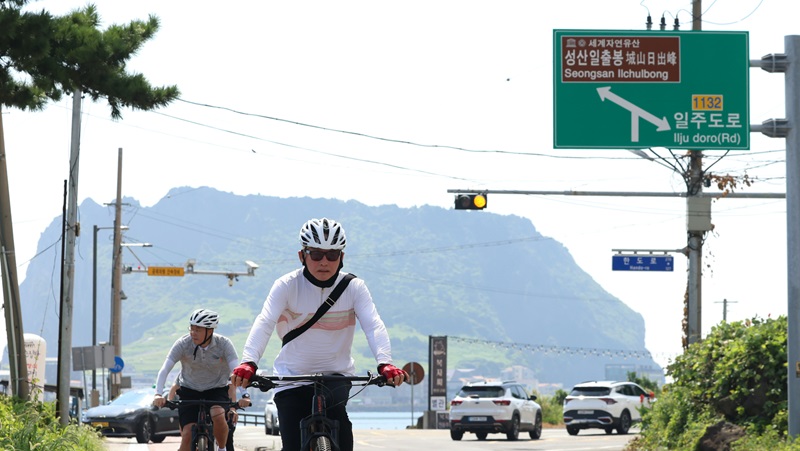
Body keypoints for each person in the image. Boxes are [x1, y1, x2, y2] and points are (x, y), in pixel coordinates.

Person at [231, 217, 408, 451]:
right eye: (316, 254)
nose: (324, 261)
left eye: (332, 255)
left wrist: (385, 363)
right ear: (301, 255)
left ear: (341, 257)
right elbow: (264, 322)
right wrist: (249, 362)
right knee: (292, 446)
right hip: (291, 379)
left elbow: (373, 325)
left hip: (336, 378)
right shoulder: (286, 285)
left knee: (344, 441)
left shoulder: (354, 288)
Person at [153, 309, 240, 451]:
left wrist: (245, 396)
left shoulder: (224, 344)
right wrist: (158, 393)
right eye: (191, 328)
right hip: (189, 390)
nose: (193, 333)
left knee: (218, 415)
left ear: (210, 330)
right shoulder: (183, 343)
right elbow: (165, 369)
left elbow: (236, 372)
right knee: (187, 434)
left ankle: (222, 448)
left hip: (216, 389)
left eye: (198, 330)